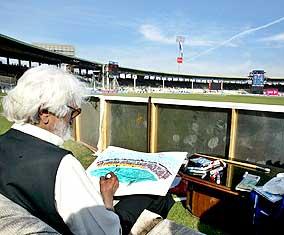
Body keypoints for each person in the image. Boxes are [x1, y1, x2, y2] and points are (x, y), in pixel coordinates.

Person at [0, 65, 174, 235]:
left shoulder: (3, 142)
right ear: (45, 113)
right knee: (158, 196)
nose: (72, 120)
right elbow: (107, 232)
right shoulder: (62, 164)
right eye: (72, 112)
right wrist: (108, 200)